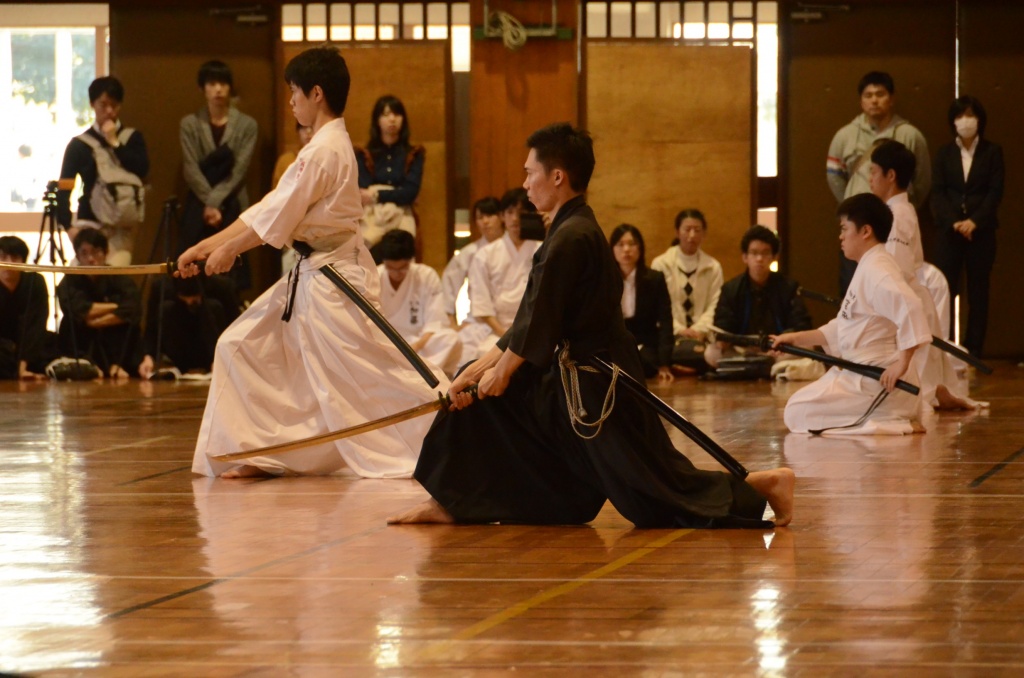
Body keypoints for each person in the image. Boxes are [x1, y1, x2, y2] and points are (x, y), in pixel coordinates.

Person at [388, 123, 794, 529]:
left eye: (531, 172)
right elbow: (530, 319)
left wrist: (498, 376)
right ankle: (448, 502)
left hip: (596, 386)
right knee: (655, 479)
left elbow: (539, 327)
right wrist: (478, 372)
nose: (525, 183)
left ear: (558, 177)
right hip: (585, 378)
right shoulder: (570, 230)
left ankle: (763, 486)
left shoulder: (571, 237)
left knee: (653, 496)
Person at [177, 46, 449, 479]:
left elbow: (277, 215)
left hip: (334, 278)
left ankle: (450, 421)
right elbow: (272, 207)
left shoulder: (325, 150)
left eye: (294, 92)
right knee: (241, 346)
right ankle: (262, 451)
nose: (290, 102)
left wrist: (224, 248)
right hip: (313, 271)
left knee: (372, 371)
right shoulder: (323, 147)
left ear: (316, 93)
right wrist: (208, 245)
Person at [774, 194, 931, 435]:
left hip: (881, 381)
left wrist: (902, 363)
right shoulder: (869, 265)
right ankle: (893, 417)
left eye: (845, 228)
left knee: (797, 413)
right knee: (797, 408)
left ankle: (893, 421)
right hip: (863, 374)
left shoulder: (878, 270)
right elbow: (844, 326)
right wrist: (794, 339)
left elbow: (911, 306)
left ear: (865, 231)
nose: (841, 236)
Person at [868, 140, 976, 410]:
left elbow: (896, 273)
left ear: (890, 176)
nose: (869, 179)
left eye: (873, 172)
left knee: (912, 396)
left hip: (905, 307)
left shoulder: (898, 216)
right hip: (906, 305)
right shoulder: (897, 211)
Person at [826, 71, 930, 295]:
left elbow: (922, 179)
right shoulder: (844, 136)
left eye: (880, 94)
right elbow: (834, 175)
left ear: (891, 98)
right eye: (868, 95)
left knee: (891, 287)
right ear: (860, 100)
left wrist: (904, 204)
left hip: (893, 225)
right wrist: (853, 204)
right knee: (852, 292)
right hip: (856, 227)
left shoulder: (910, 135)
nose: (874, 100)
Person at [930, 95, 1004, 358]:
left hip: (980, 232)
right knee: (945, 289)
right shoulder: (944, 153)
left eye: (970, 115)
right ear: (953, 121)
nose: (965, 121)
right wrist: (954, 222)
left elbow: (995, 192)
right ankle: (946, 347)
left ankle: (974, 350)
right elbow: (937, 192)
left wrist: (974, 221)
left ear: (980, 120)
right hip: (949, 232)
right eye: (960, 116)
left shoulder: (992, 152)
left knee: (978, 291)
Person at [179, 60, 258, 293]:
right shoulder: (190, 124)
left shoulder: (247, 125)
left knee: (233, 273)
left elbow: (239, 171)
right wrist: (209, 203)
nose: (218, 89)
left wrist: (214, 202)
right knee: (194, 270)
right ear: (203, 88)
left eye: (223, 83)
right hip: (198, 206)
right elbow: (190, 169)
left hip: (233, 203)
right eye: (212, 83)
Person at [57, 76, 149, 266]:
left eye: (114, 106)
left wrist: (115, 143)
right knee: (79, 279)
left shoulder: (132, 138)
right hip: (89, 223)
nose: (109, 111)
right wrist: (69, 228)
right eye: (103, 105)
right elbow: (64, 189)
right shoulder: (79, 145)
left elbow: (142, 169)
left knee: (116, 277)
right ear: (92, 104)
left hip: (121, 226)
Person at [705, 225, 813, 369]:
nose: (759, 259)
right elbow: (723, 324)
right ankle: (761, 367)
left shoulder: (788, 287)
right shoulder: (731, 289)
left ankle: (759, 367)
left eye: (765, 253)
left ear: (774, 257)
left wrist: (783, 341)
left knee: (808, 347)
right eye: (754, 253)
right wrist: (723, 340)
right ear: (745, 257)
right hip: (742, 350)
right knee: (711, 353)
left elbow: (801, 324)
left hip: (778, 350)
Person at [458, 188, 541, 362]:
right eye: (510, 212)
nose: (515, 218)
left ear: (531, 214)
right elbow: (482, 306)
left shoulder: (542, 249)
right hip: (498, 330)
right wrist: (507, 337)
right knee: (478, 355)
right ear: (502, 216)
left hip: (534, 330)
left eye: (522, 212)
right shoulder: (485, 255)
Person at [56, 229, 143, 379]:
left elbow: (133, 308)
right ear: (77, 256)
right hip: (83, 338)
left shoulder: (119, 278)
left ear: (105, 253)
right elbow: (78, 310)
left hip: (114, 340)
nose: (91, 259)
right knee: (69, 324)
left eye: (96, 252)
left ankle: (118, 364)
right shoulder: (69, 281)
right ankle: (88, 366)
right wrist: (115, 306)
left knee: (129, 327)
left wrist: (96, 321)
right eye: (84, 253)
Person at [377, 230, 462, 377]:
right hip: (387, 345)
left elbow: (434, 322)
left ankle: (420, 374)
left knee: (451, 339)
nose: (396, 273)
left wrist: (414, 348)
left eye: (402, 268)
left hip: (419, 344)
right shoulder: (375, 276)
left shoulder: (426, 275)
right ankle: (414, 372)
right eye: (391, 268)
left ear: (411, 260)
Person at [650, 209, 723, 374]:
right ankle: (694, 367)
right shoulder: (661, 264)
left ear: (704, 233)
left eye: (697, 230)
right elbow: (658, 308)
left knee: (716, 354)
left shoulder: (713, 267)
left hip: (701, 337)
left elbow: (715, 304)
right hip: (671, 336)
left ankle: (684, 366)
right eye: (687, 229)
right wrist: (679, 330)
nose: (692, 235)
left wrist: (699, 329)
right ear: (677, 232)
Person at [355, 95, 424, 251]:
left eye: (397, 114)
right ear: (377, 120)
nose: (392, 119)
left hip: (402, 215)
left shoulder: (414, 154)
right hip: (372, 217)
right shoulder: (364, 154)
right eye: (386, 115)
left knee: (403, 252)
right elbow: (362, 191)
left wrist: (376, 195)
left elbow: (410, 192)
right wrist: (393, 193)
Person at [609, 224, 673, 382]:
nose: (626, 250)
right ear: (612, 249)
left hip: (645, 344)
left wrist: (665, 364)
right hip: (615, 342)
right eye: (620, 244)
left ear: (641, 247)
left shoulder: (655, 279)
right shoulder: (605, 280)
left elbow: (666, 321)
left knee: (644, 363)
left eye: (632, 244)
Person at [138, 275, 229, 379]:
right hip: (177, 355)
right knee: (166, 308)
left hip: (211, 353)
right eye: (186, 299)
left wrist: (221, 360)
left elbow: (234, 327)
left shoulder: (221, 287)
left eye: (194, 299)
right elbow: (151, 328)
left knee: (212, 307)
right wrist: (148, 357)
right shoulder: (162, 287)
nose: (190, 302)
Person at [440, 196, 503, 328]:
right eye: (480, 218)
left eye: (490, 215)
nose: (485, 221)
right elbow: (449, 284)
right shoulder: (470, 252)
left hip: (509, 318)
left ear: (501, 217)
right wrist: (452, 322)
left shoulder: (516, 248)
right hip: (477, 321)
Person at [0, 236, 53, 379]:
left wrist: (23, 365)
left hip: (29, 346)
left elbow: (35, 324)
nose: (9, 263)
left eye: (15, 257)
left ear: (23, 260)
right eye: (3, 257)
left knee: (52, 345)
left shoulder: (35, 282)